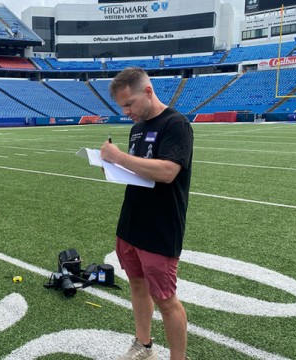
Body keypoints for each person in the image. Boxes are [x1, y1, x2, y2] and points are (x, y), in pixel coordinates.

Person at [100, 67, 193, 360]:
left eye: (129, 104)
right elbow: (136, 169)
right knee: (137, 286)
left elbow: (167, 171)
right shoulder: (136, 127)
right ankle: (144, 345)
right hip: (131, 222)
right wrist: (111, 165)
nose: (126, 111)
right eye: (122, 106)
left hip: (160, 226)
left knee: (166, 299)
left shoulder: (176, 124)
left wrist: (119, 157)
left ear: (148, 92)